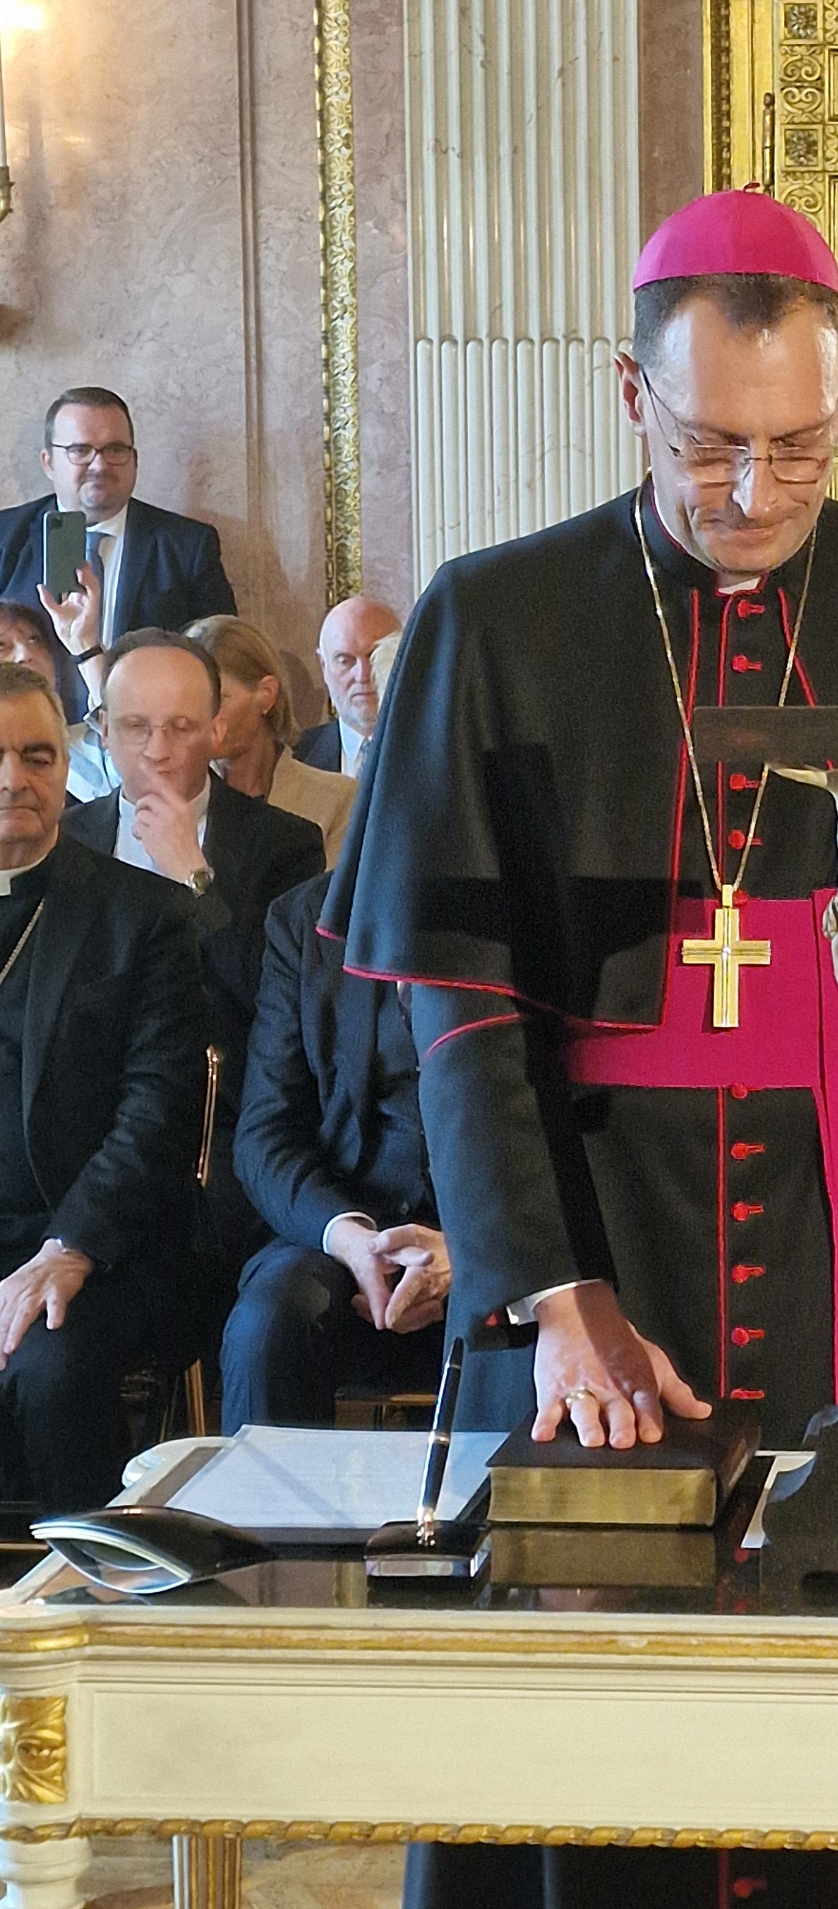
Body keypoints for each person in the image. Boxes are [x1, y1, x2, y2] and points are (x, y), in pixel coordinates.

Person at [320, 188, 838, 1909]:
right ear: (631, 400)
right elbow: (460, 1009)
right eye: (706, 447)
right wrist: (551, 1294)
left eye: (797, 449)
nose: (753, 496)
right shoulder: (498, 619)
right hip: (610, 1229)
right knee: (593, 1723)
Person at [0, 662, 210, 1512]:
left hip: (103, 1249)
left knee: (48, 1370)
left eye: (38, 756)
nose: (13, 778)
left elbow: (156, 1113)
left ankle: (75, 1597)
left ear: (68, 767)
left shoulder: (144, 917)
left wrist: (68, 1248)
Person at [62, 631, 325, 1268]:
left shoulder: (283, 844)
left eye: (181, 727)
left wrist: (194, 875)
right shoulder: (69, 839)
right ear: (101, 729)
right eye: (135, 727)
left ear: (215, 729)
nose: (157, 751)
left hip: (217, 1123)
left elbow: (278, 1005)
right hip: (81, 1124)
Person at [220, 874, 445, 1431]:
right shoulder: (303, 918)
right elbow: (264, 1134)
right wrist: (351, 1238)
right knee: (268, 1326)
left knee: (543, 1327)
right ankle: (256, 1522)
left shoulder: (525, 904)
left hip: (491, 1235)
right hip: (338, 1224)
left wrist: (475, 1247)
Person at [0, 387, 237, 721]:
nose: (100, 465)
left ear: (134, 460)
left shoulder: (187, 547)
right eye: (80, 450)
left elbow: (221, 664)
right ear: (48, 462)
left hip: (145, 742)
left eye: (115, 450)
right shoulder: (5, 537)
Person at [188, 616, 357, 865]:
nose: (202, 716)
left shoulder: (336, 799)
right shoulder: (180, 801)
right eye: (192, 701)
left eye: (219, 699)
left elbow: (328, 899)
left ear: (266, 695)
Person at [0, 603, 117, 802]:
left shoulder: (86, 745)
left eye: (35, 640)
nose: (25, 654)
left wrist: (85, 647)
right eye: (1, 646)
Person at [295, 597, 401, 777]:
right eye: (345, 661)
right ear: (323, 666)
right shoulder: (294, 760)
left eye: (375, 656)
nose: (363, 675)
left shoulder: (444, 754)